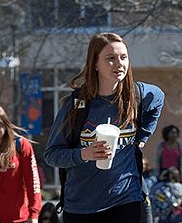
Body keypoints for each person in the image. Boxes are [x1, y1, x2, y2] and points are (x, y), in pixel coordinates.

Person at [43, 32, 165, 223]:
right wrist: (84, 154)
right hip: (81, 206)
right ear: (95, 64)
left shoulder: (139, 95)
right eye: (110, 58)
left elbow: (159, 98)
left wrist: (142, 138)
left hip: (126, 199)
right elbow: (52, 155)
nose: (119, 63)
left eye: (123, 57)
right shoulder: (76, 105)